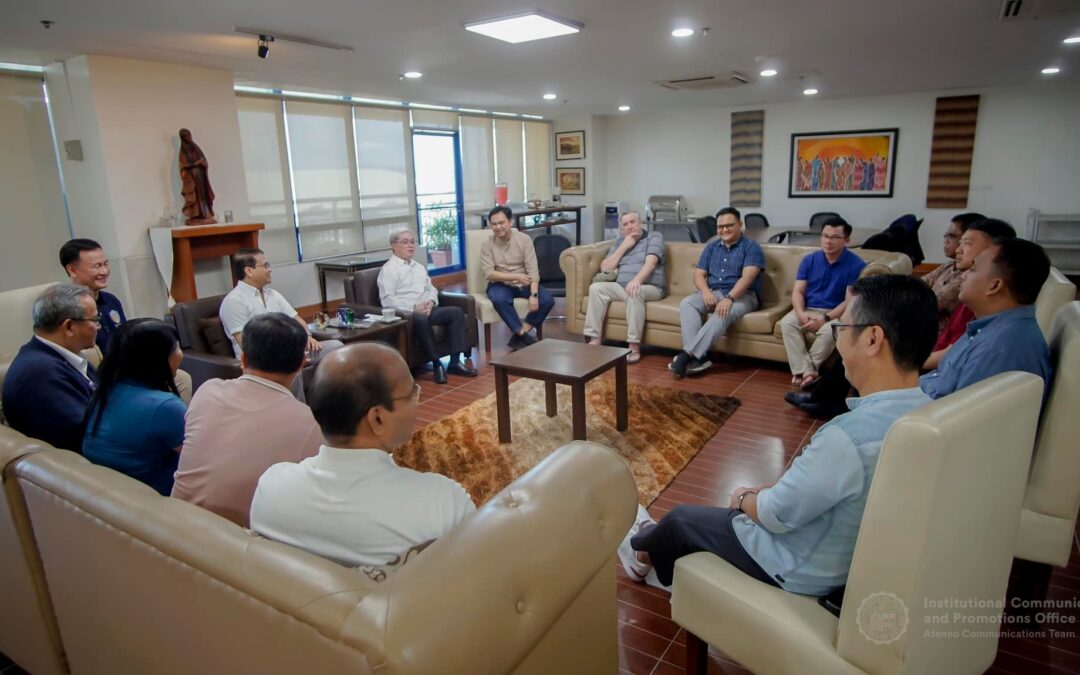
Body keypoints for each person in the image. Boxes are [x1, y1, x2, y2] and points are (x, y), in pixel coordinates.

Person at [621, 275, 938, 596]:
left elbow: (775, 514)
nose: (837, 341)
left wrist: (744, 498)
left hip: (799, 569)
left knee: (683, 520)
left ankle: (640, 552)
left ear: (872, 339)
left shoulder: (847, 437)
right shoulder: (933, 415)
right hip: (850, 561)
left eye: (840, 328)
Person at [250, 343, 475, 568]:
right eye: (411, 394)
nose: (417, 404)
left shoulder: (270, 488)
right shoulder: (443, 502)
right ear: (377, 418)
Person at [171, 313, 322, 527]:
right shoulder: (309, 423)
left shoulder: (207, 391)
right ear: (301, 364)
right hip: (240, 544)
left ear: (243, 358)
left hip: (175, 523)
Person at [60, 237, 192, 403]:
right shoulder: (65, 308)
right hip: (100, 378)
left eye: (106, 264)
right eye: (97, 266)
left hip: (126, 370)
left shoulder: (111, 301)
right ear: (72, 270)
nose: (105, 271)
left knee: (181, 378)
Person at [920, 237, 1052, 401]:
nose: (964, 275)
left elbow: (958, 418)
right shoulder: (989, 328)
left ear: (994, 286)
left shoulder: (1000, 349)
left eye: (973, 269)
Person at [219, 248, 342, 399]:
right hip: (262, 359)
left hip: (291, 348)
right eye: (265, 265)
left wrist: (307, 337)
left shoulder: (273, 294)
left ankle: (328, 402)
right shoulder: (234, 301)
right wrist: (289, 353)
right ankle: (298, 414)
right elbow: (247, 343)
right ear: (249, 271)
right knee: (291, 366)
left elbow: (298, 320)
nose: (270, 269)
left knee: (336, 347)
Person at [82, 319, 186, 495]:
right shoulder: (164, 407)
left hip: (116, 495)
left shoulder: (106, 389)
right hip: (160, 499)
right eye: (176, 347)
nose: (180, 353)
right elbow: (200, 461)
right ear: (157, 357)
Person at [2, 284, 99, 452]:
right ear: (69, 327)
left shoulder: (64, 356)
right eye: (95, 321)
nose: (98, 327)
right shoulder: (38, 373)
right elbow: (86, 435)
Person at [671, 207, 765, 378]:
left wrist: (729, 298)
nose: (724, 230)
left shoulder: (751, 247)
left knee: (722, 312)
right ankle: (700, 358)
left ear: (740, 225)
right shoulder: (712, 246)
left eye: (729, 225)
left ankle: (686, 356)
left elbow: (747, 279)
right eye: (720, 227)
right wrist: (706, 292)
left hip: (743, 296)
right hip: (714, 292)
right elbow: (699, 274)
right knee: (688, 303)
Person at [378, 227, 476, 384]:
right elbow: (387, 300)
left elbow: (431, 288)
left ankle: (455, 362)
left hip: (428, 309)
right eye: (405, 242)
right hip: (408, 315)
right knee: (421, 319)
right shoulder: (389, 270)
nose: (410, 246)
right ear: (394, 246)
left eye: (412, 242)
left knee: (456, 312)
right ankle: (437, 364)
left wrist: (430, 302)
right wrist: (414, 308)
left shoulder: (419, 267)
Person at [779, 218, 865, 389]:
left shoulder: (856, 264)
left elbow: (849, 302)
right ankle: (808, 371)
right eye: (825, 236)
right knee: (787, 323)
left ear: (846, 240)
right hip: (809, 308)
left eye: (834, 237)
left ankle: (804, 371)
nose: (828, 241)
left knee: (829, 331)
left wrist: (825, 318)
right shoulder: (809, 260)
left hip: (836, 312)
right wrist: (801, 313)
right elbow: (798, 291)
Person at [923, 218, 1016, 371]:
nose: (958, 249)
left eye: (966, 243)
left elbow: (952, 356)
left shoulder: (977, 297)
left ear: (994, 251)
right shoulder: (969, 288)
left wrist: (902, 368)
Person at [583, 211, 666, 363]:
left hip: (650, 287)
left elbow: (651, 263)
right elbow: (605, 268)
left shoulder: (654, 237)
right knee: (596, 288)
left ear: (640, 223)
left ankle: (633, 346)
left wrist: (637, 280)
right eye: (625, 224)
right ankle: (594, 339)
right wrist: (624, 246)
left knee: (634, 291)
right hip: (622, 286)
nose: (629, 226)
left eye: (632, 222)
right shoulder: (621, 241)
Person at [480, 206, 554, 351]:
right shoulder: (487, 244)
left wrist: (533, 294)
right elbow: (489, 273)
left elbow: (532, 268)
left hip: (525, 283)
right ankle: (522, 335)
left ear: (510, 222)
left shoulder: (524, 239)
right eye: (494, 224)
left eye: (501, 223)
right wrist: (516, 276)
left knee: (547, 300)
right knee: (498, 298)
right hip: (500, 283)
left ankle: (521, 335)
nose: (498, 227)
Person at [920, 213, 985, 334]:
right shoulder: (949, 265)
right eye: (945, 236)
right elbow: (917, 285)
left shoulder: (968, 278)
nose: (946, 241)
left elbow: (927, 303)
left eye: (952, 236)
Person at [178, 128, 216, 225]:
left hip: (201, 176)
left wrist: (201, 163)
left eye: (189, 135)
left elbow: (204, 161)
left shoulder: (195, 148)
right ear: (182, 138)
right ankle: (196, 214)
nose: (188, 137)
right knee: (196, 197)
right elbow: (184, 166)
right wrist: (195, 163)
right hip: (192, 179)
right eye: (185, 136)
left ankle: (206, 213)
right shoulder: (183, 151)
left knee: (203, 195)